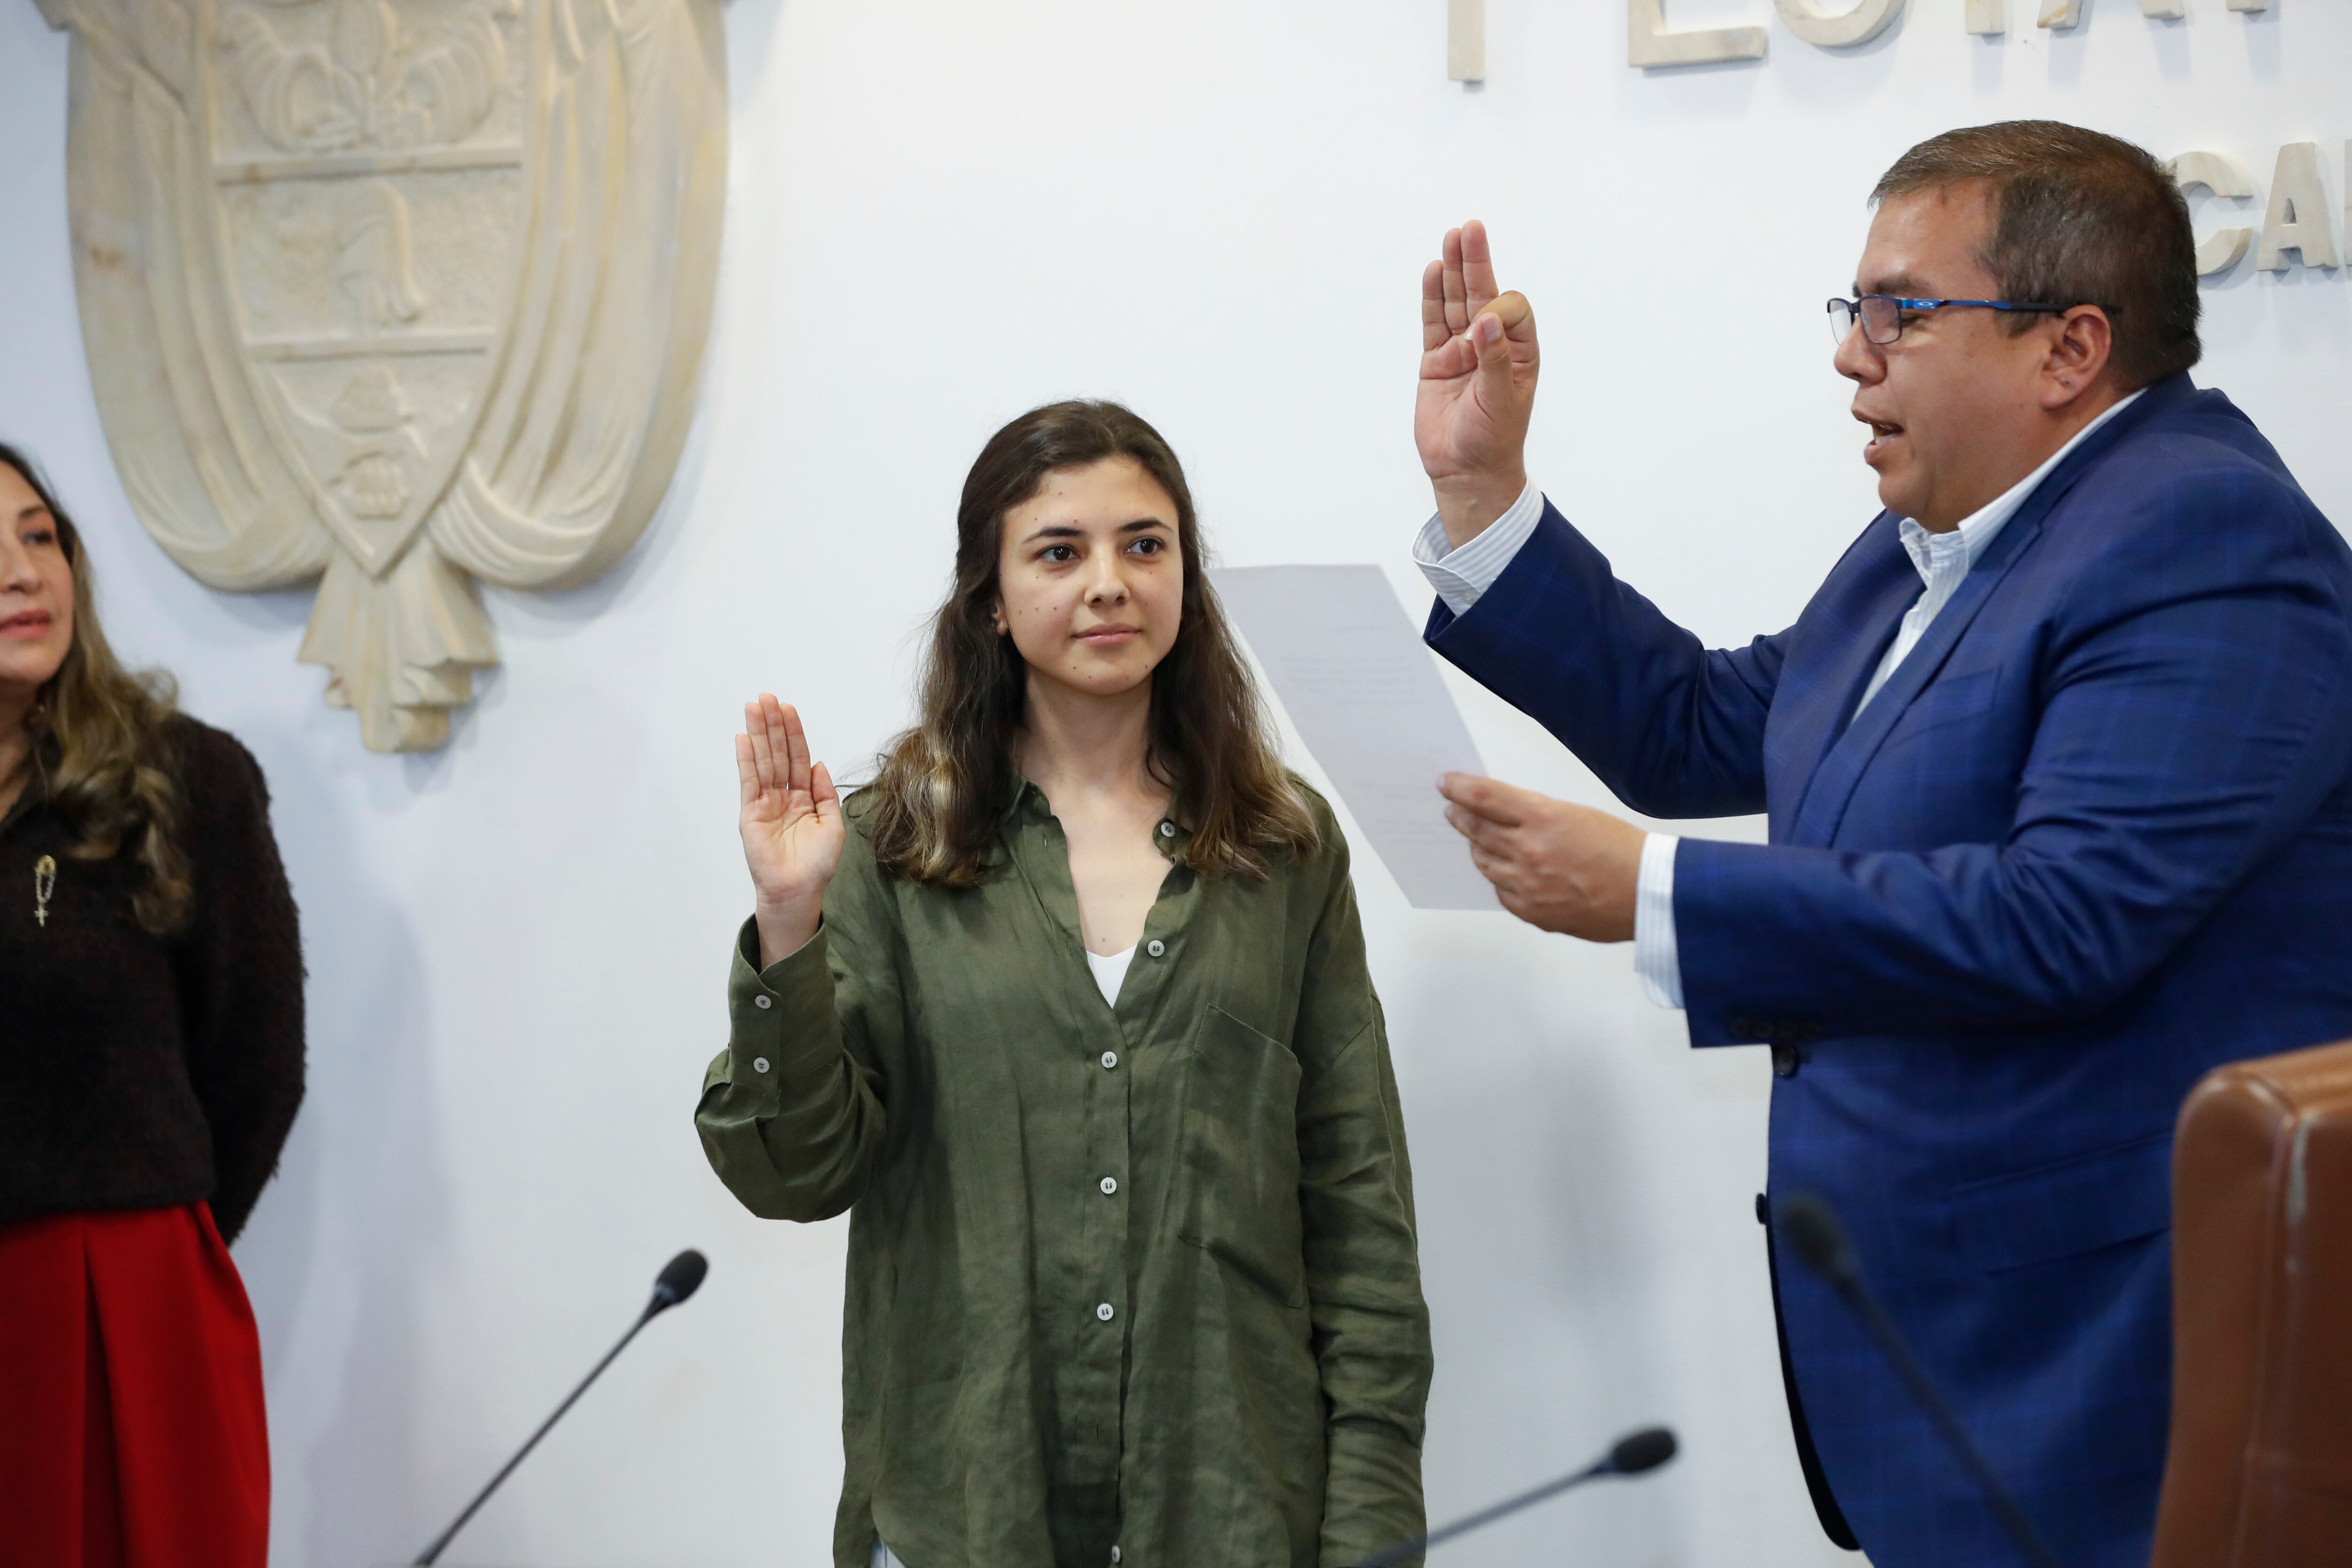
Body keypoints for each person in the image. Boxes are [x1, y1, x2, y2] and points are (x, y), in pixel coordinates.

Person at [1407, 122, 2352, 1568]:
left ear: (2070, 347)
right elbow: (1696, 726)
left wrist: (1654, 892)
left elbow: (2064, 915)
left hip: (2107, 1364)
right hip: (1938, 1353)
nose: (1854, 356)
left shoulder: (2208, 539)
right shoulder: (1938, 537)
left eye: (1902, 312)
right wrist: (1485, 494)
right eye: (1854, 310)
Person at [696, 401, 1431, 1568]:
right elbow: (793, 1171)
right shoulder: (887, 847)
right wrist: (789, 919)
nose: (1107, 583)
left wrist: (1374, 1520)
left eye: (1144, 544)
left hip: (1230, 1510)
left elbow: (1356, 1203)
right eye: (1057, 551)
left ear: (1185, 576)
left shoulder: (1283, 847)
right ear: (990, 597)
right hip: (963, 1508)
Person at [0, 443, 306, 1566]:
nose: (22, 571)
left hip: (129, 1302)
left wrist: (149, 1256)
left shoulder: (181, 780)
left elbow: (257, 1063)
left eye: (39, 535)